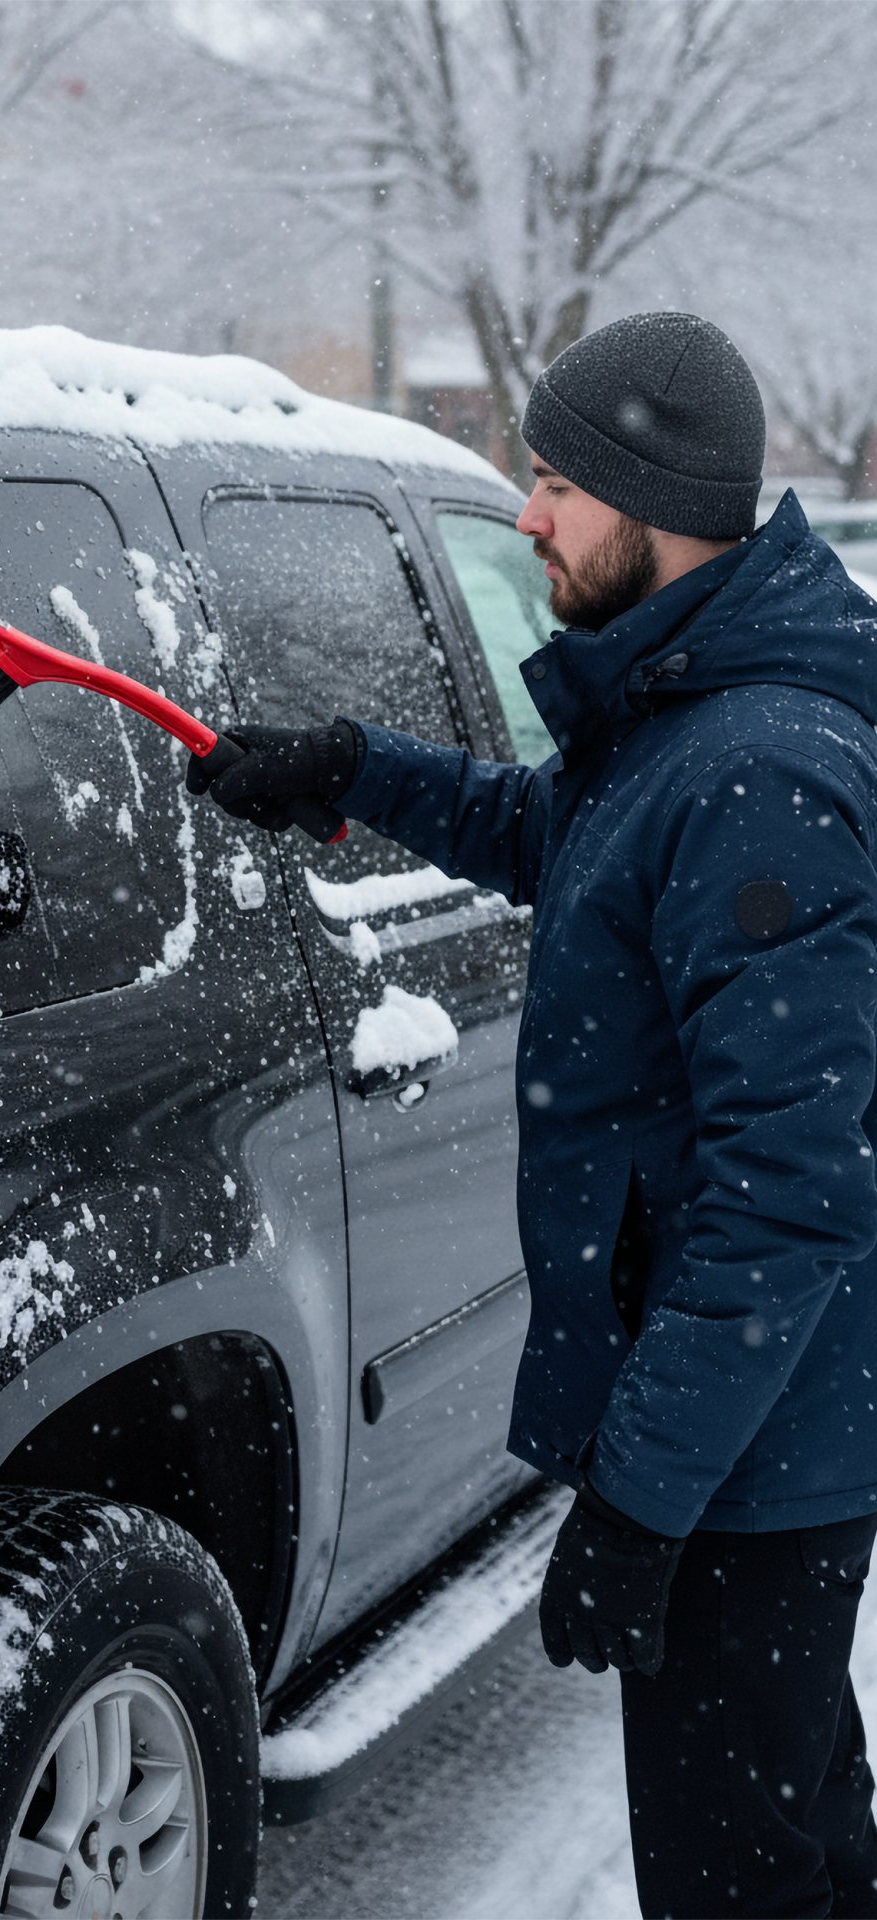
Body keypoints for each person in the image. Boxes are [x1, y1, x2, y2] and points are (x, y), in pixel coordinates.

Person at [188, 311, 877, 1918]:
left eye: (558, 481)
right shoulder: (694, 714)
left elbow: (788, 1201)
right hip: (746, 1438)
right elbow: (563, 839)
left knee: (745, 1872)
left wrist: (641, 1500)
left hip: (749, 1463)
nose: (531, 515)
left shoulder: (755, 769)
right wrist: (356, 770)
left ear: (657, 499)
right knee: (795, 1832)